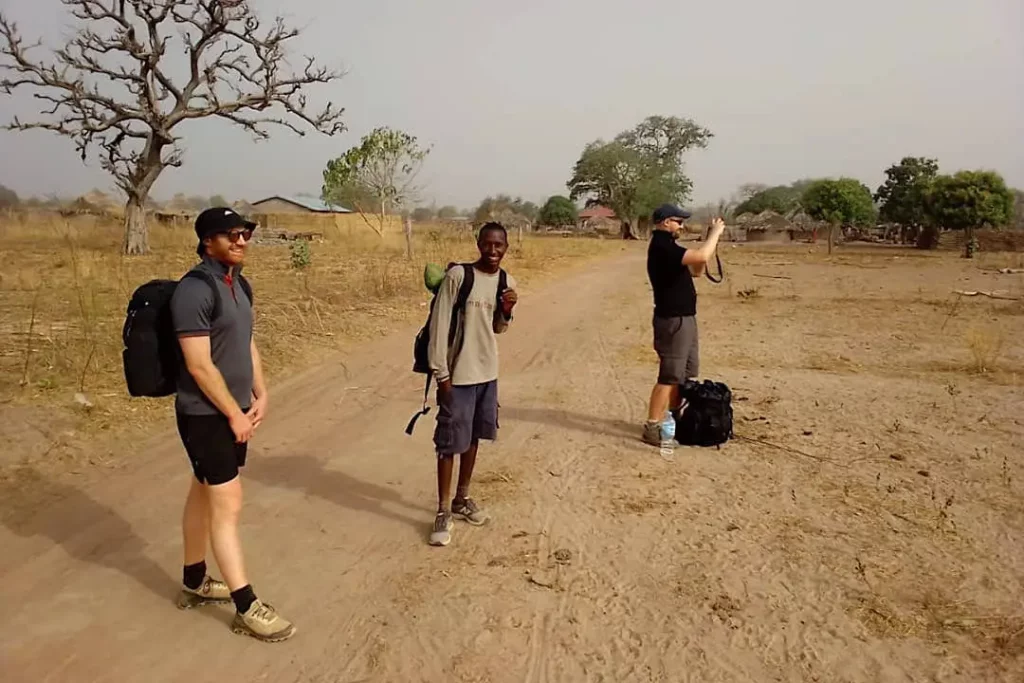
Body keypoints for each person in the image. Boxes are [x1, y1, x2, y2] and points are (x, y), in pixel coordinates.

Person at [170, 207, 295, 642]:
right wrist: (233, 414)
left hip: (233, 410)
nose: (241, 241)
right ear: (208, 241)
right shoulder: (193, 290)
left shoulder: (239, 285)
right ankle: (246, 606)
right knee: (228, 503)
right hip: (205, 415)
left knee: (202, 490)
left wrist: (262, 391)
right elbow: (199, 367)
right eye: (231, 235)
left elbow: (246, 342)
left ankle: (194, 580)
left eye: (245, 234)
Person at [426, 222, 518, 547]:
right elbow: (439, 327)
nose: (493, 251)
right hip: (458, 375)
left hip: (487, 374)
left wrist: (506, 310)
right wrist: (442, 375)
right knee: (449, 443)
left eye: (499, 246)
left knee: (474, 438)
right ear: (478, 243)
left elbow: (498, 329)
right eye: (488, 244)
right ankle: (442, 511)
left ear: (507, 247)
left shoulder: (506, 281)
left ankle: (461, 499)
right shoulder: (459, 278)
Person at [642, 204, 726, 447]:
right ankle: (652, 427)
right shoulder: (661, 246)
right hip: (673, 321)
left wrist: (708, 244)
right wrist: (714, 235)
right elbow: (700, 257)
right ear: (665, 222)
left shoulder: (670, 247)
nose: (681, 225)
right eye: (678, 221)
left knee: (683, 376)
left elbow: (698, 269)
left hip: (685, 318)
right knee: (669, 376)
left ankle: (672, 420)